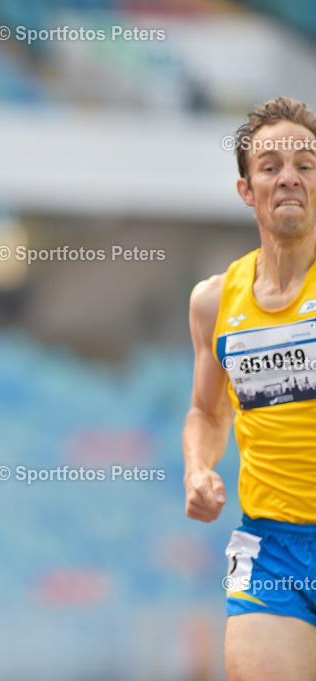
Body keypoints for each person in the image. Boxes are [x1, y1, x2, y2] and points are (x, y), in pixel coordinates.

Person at [183, 96, 316, 681]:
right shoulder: (214, 300)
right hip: (273, 547)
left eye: (306, 164)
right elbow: (206, 414)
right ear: (247, 190)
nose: (289, 174)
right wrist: (197, 469)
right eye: (271, 165)